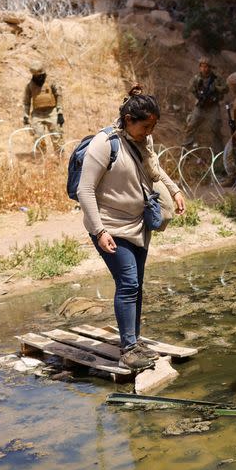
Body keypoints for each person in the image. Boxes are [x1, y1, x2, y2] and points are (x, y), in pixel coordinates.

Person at [77, 85, 186, 371]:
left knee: (136, 285)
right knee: (128, 283)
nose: (149, 132)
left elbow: (154, 168)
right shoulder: (104, 143)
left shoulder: (143, 141)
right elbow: (85, 189)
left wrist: (174, 190)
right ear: (128, 120)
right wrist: (99, 231)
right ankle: (127, 348)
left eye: (153, 127)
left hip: (138, 224)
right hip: (110, 226)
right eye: (145, 126)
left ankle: (133, 341)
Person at [181, 56, 228, 153]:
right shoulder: (197, 78)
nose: (204, 69)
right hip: (200, 106)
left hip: (213, 106)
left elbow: (226, 89)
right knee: (191, 126)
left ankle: (219, 153)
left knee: (216, 128)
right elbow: (190, 88)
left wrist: (216, 89)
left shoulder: (216, 79)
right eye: (202, 66)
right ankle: (185, 150)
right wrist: (198, 94)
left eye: (206, 66)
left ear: (210, 67)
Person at [23, 61, 64, 153]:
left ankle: (60, 157)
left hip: (52, 112)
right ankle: (42, 158)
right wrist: (25, 116)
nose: (40, 77)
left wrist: (60, 112)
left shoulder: (51, 82)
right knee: (38, 137)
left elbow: (59, 96)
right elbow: (26, 102)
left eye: (42, 74)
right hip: (37, 114)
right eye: (38, 75)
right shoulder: (29, 86)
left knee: (57, 136)